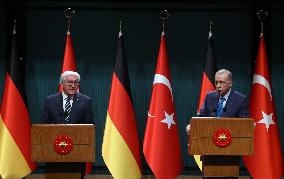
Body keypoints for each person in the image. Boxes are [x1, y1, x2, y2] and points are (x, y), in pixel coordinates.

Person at [40, 71, 93, 178]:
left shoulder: (86, 101)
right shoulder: (50, 100)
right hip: (54, 152)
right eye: (69, 82)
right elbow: (43, 126)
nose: (73, 85)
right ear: (62, 83)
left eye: (76, 82)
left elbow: (89, 127)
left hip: (77, 153)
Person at [186, 69, 249, 133]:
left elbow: (244, 123)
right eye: (216, 82)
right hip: (210, 135)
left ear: (230, 84)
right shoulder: (210, 96)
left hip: (230, 137)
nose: (218, 86)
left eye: (222, 82)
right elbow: (201, 117)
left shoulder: (240, 99)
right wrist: (192, 125)